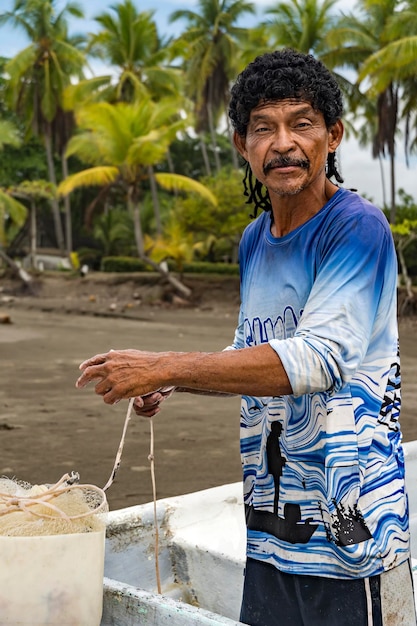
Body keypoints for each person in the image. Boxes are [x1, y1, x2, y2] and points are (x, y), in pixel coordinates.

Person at [76, 49, 416, 626]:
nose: (283, 143)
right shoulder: (255, 241)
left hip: (351, 536)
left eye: (301, 124)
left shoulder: (357, 229)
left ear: (332, 137)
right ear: (243, 145)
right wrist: (175, 383)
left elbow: (316, 361)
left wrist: (167, 365)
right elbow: (252, 348)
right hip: (269, 525)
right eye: (264, 128)